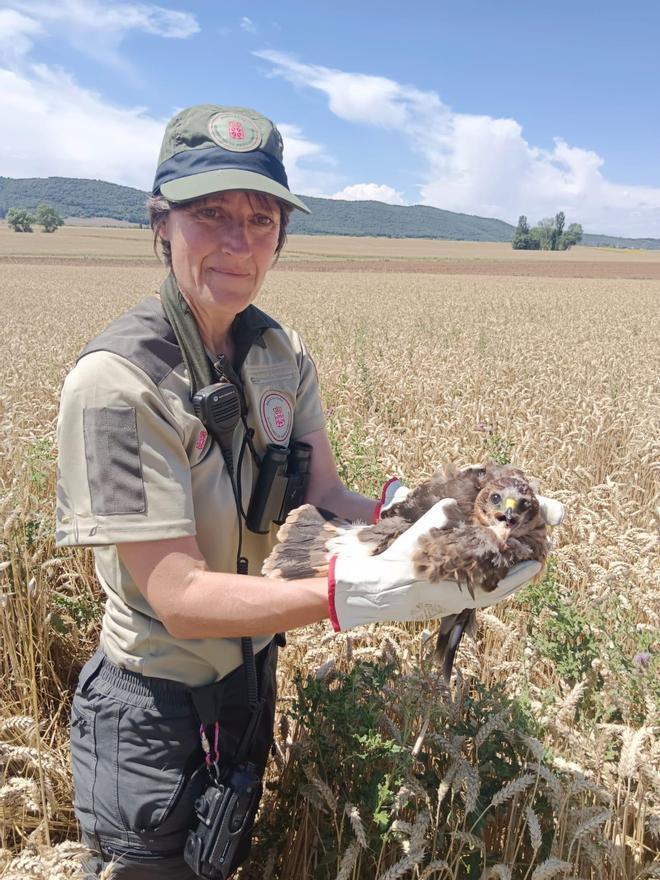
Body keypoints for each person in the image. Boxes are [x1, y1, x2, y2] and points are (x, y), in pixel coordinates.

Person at [55, 104, 560, 879]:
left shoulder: (279, 351)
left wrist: (435, 519)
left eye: (261, 219)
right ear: (162, 222)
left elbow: (322, 493)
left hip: (251, 683)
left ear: (282, 236)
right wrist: (351, 593)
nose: (239, 240)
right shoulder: (120, 381)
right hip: (153, 713)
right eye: (210, 213)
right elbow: (181, 598)